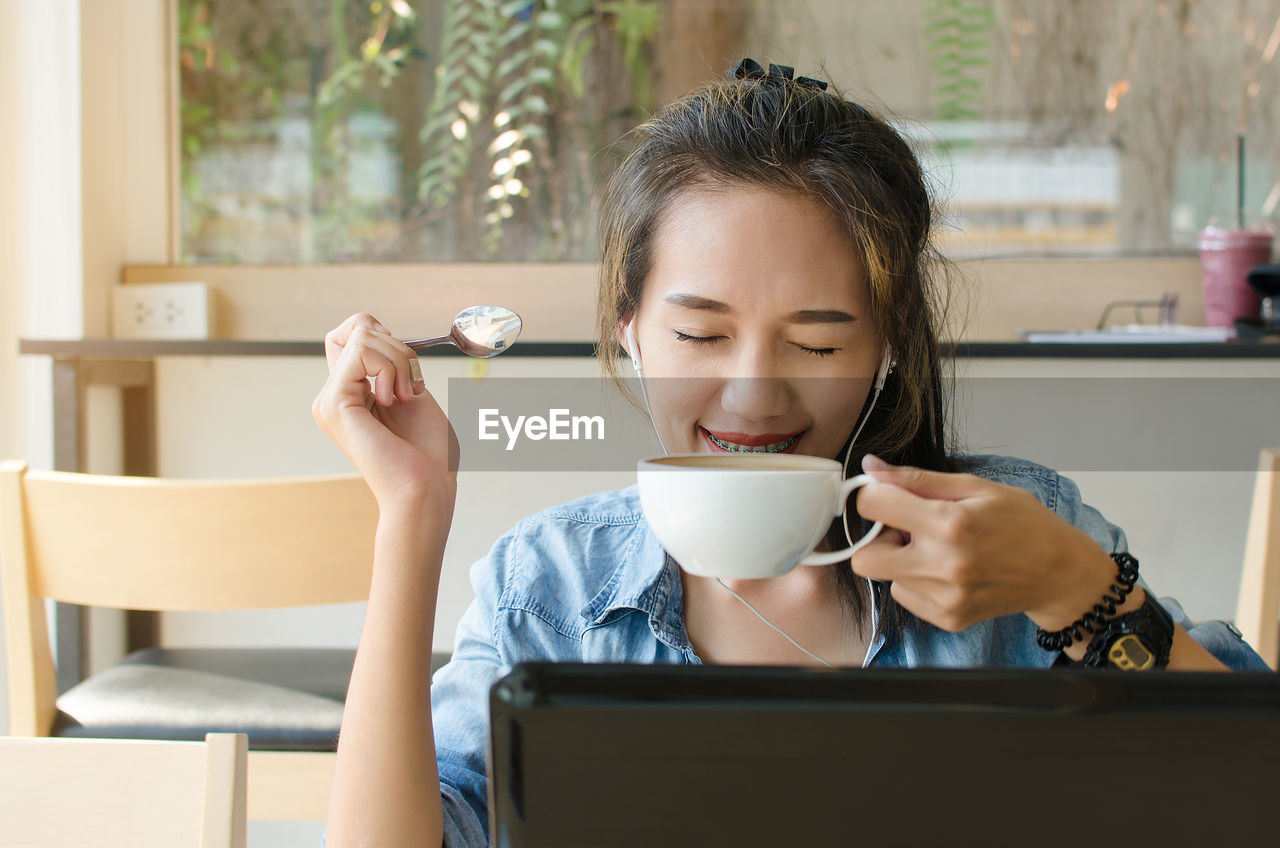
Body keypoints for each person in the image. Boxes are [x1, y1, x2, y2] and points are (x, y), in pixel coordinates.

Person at [313, 61, 1267, 847]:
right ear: (630, 330)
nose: (754, 396)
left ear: (889, 348)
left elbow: (1250, 798)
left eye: (817, 344)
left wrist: (1076, 586)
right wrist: (411, 513)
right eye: (699, 336)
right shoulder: (554, 586)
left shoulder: (1014, 542)